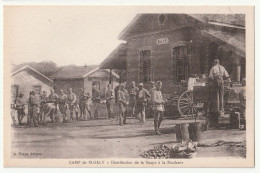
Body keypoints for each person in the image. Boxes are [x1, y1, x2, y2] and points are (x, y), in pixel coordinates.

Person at [208, 59, 231, 128]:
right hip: (221, 81)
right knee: (221, 96)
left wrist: (212, 80)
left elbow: (210, 76)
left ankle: (217, 109)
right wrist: (229, 81)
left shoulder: (213, 68)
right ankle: (222, 110)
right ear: (219, 62)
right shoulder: (222, 67)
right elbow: (227, 76)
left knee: (216, 96)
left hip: (216, 82)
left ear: (214, 62)